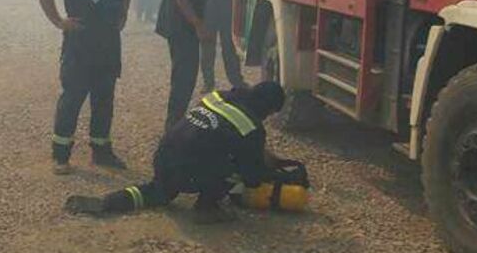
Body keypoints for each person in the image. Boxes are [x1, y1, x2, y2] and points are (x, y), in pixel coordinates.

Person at [64, 82, 307, 224]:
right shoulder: (252, 127)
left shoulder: (220, 95)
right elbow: (253, 175)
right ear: (268, 108)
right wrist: (283, 178)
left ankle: (109, 203)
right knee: (236, 171)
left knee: (160, 191)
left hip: (164, 156)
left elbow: (220, 131)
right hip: (191, 170)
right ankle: (207, 207)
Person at [35, 0, 131, 175]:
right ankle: (61, 155)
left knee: (104, 99)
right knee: (73, 98)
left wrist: (123, 13)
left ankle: (101, 152)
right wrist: (59, 21)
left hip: (109, 43)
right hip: (81, 41)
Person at [156, 0, 218, 132]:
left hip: (183, 27)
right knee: (184, 77)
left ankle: (175, 122)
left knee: (186, 76)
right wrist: (197, 24)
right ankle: (173, 126)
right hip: (182, 28)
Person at [201, 0, 246, 93]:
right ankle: (208, 83)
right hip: (210, 15)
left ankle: (237, 81)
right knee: (208, 50)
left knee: (230, 49)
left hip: (228, 16)